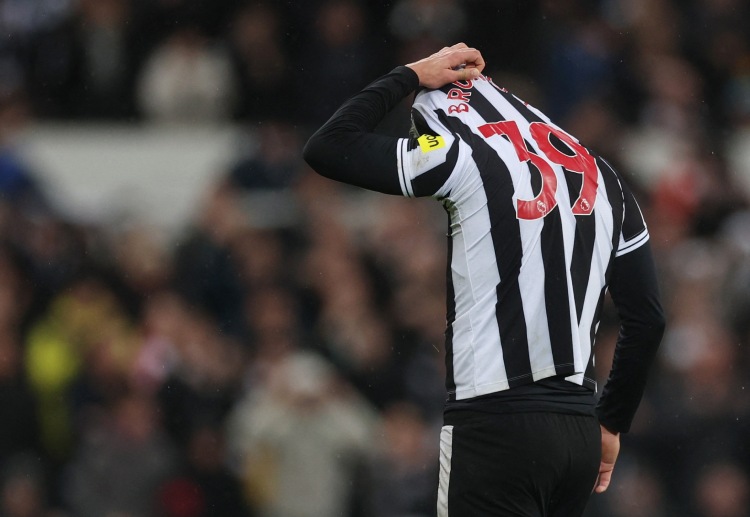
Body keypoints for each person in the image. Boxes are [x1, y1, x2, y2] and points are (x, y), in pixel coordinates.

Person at [303, 43, 666, 517]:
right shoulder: (605, 178)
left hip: (495, 422)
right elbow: (648, 320)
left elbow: (328, 146)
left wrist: (411, 75)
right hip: (577, 431)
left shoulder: (460, 153)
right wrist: (611, 422)